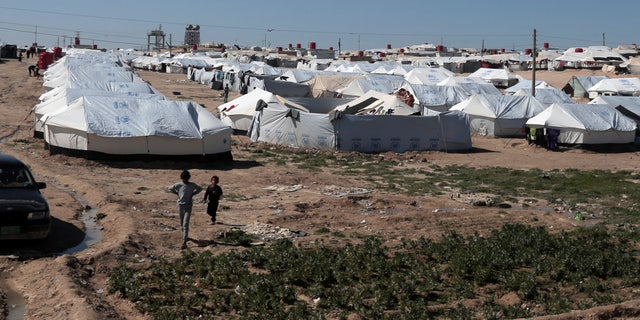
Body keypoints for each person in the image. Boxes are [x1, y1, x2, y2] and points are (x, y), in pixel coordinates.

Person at [168, 170, 203, 249]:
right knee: (181, 223)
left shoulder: (192, 185)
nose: (186, 180)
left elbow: (200, 189)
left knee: (185, 223)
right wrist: (177, 193)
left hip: (188, 206)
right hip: (180, 205)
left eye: (187, 178)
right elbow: (170, 189)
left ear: (189, 178)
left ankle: (184, 242)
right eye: (184, 178)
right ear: (181, 178)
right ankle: (184, 236)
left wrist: (193, 194)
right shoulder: (179, 185)